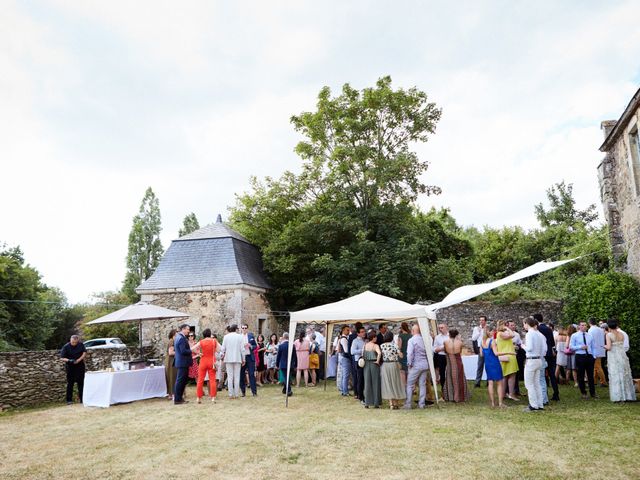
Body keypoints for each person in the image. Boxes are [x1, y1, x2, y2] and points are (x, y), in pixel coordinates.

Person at [604, 319, 636, 402]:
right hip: (622, 355)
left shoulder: (609, 335)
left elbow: (609, 347)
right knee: (625, 374)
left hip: (614, 356)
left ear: (609, 326)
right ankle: (628, 395)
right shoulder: (622, 334)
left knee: (615, 374)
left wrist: (604, 346)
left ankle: (618, 396)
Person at [522, 317, 547, 412]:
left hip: (531, 360)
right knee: (537, 383)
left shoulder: (529, 334)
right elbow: (543, 349)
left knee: (529, 384)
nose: (523, 326)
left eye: (524, 324)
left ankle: (533, 405)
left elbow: (529, 348)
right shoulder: (539, 334)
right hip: (539, 360)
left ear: (526, 323)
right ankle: (540, 404)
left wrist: (522, 346)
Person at [403, 324, 430, 410]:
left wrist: (409, 363)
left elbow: (410, 353)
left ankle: (408, 404)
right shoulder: (424, 340)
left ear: (413, 331)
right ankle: (421, 404)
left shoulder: (412, 340)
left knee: (410, 384)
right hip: (425, 364)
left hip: (416, 364)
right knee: (422, 384)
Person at [534, 313, 559, 402]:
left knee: (541, 375)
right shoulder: (548, 329)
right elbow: (552, 343)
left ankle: (544, 395)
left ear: (535, 320)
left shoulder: (537, 329)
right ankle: (556, 393)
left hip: (542, 354)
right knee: (552, 374)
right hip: (549, 353)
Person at [570, 321, 596, 399]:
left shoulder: (590, 335)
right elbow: (571, 346)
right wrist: (580, 347)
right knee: (581, 375)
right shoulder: (574, 335)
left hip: (589, 356)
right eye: (582, 325)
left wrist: (594, 356)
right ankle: (583, 393)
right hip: (580, 356)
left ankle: (593, 393)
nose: (584, 326)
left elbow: (593, 347)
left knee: (590, 375)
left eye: (585, 325)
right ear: (579, 327)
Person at [191, 328, 219, 403]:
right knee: (212, 380)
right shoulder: (214, 341)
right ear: (210, 334)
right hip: (211, 361)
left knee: (200, 380)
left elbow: (192, 348)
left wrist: (198, 353)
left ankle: (198, 397)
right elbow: (220, 349)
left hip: (203, 361)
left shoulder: (201, 342)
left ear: (203, 335)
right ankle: (213, 397)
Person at [380, 330, 406, 409]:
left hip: (385, 365)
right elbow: (401, 356)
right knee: (395, 383)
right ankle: (396, 403)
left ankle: (391, 403)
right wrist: (400, 349)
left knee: (388, 383)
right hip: (394, 364)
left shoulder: (381, 346)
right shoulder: (394, 346)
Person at [442, 329, 470, 403]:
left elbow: (445, 351)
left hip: (450, 362)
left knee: (450, 378)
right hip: (458, 362)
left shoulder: (445, 342)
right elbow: (460, 352)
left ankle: (451, 396)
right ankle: (459, 396)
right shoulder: (460, 343)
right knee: (459, 378)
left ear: (449, 334)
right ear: (457, 335)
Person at [482, 324, 504, 408]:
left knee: (490, 383)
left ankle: (492, 403)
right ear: (490, 332)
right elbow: (496, 353)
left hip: (487, 363)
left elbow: (481, 353)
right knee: (499, 383)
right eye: (493, 331)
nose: (494, 332)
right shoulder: (492, 341)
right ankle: (500, 403)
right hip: (494, 363)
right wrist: (508, 352)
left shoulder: (482, 341)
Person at [496, 321, 519, 401]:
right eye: (505, 325)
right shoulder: (501, 333)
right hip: (508, 355)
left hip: (507, 355)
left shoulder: (501, 334)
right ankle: (510, 394)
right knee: (510, 376)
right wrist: (507, 328)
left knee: (507, 376)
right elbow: (512, 335)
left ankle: (504, 394)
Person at [60, 335, 86, 405]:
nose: (74, 343)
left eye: (75, 342)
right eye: (72, 342)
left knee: (81, 383)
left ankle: (82, 399)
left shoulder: (81, 345)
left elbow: (84, 353)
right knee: (70, 384)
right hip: (70, 367)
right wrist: (69, 360)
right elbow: (62, 358)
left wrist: (79, 360)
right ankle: (69, 400)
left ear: (77, 341)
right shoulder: (66, 347)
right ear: (70, 340)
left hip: (80, 366)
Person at [221, 324, 245, 399]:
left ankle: (231, 394)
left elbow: (223, 348)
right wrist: (243, 359)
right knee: (237, 377)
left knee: (230, 377)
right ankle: (236, 394)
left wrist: (222, 355)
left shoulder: (226, 337)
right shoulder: (240, 337)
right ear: (236, 329)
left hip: (228, 358)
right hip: (237, 358)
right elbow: (242, 349)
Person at [173, 324, 194, 404]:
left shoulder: (178, 337)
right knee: (180, 381)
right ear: (183, 329)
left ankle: (179, 398)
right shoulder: (181, 338)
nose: (189, 331)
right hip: (183, 363)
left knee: (181, 381)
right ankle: (178, 399)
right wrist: (191, 349)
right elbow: (183, 351)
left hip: (181, 362)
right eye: (188, 329)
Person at [362, 330, 382, 408]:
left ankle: (367, 402)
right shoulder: (375, 345)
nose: (376, 338)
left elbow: (362, 355)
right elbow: (379, 353)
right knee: (375, 383)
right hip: (374, 364)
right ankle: (376, 403)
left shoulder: (365, 345)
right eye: (375, 337)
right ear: (373, 338)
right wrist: (377, 361)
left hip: (366, 364)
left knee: (367, 383)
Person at [588, 318, 608, 387]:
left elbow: (590, 341)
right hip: (601, 350)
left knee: (598, 367)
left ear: (589, 323)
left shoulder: (590, 330)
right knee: (595, 367)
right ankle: (594, 381)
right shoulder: (600, 329)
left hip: (595, 351)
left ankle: (603, 382)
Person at [350, 326, 366, 402]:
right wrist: (362, 350)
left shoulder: (365, 340)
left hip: (365, 361)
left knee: (363, 379)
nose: (364, 333)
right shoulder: (355, 341)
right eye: (362, 332)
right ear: (358, 333)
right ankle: (360, 396)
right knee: (359, 379)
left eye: (364, 331)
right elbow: (352, 352)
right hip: (359, 361)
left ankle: (363, 394)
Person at [241, 329, 258, 397]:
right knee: (241, 375)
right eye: (243, 328)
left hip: (250, 358)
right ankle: (243, 392)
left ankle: (254, 392)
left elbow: (255, 346)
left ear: (247, 329)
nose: (244, 329)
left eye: (245, 328)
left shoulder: (251, 336)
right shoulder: (239, 337)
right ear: (241, 329)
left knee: (251, 375)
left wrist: (250, 346)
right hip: (242, 358)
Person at [472, 315, 487, 388]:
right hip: (480, 348)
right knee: (480, 365)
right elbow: (473, 338)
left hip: (487, 348)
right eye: (480, 320)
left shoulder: (488, 328)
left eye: (482, 320)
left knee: (488, 365)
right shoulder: (476, 328)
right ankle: (477, 382)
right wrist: (479, 332)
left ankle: (488, 381)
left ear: (485, 321)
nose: (481, 321)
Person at [432, 323, 449, 389]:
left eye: (442, 327)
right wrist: (442, 348)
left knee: (450, 372)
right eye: (439, 328)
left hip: (450, 355)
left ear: (446, 328)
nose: (440, 329)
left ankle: (450, 387)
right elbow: (434, 349)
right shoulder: (437, 337)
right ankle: (443, 388)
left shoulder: (450, 336)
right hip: (441, 356)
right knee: (442, 372)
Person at [337, 326, 351, 396]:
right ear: (343, 330)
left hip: (342, 357)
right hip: (345, 358)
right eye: (347, 330)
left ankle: (343, 390)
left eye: (349, 330)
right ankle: (345, 391)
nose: (348, 331)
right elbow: (346, 350)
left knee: (343, 375)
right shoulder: (344, 339)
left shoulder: (341, 338)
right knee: (345, 375)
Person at [164, 329, 178, 400]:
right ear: (173, 335)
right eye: (177, 334)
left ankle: (171, 394)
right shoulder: (171, 341)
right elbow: (171, 353)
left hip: (171, 361)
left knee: (172, 377)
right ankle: (172, 394)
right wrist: (179, 352)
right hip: (171, 361)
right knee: (172, 377)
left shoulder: (173, 341)